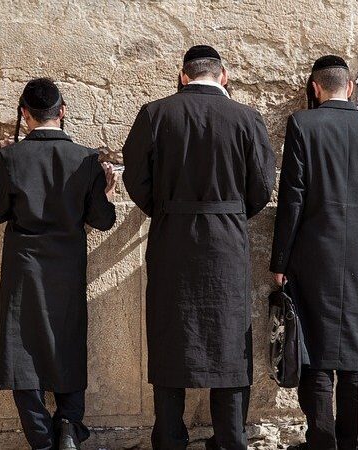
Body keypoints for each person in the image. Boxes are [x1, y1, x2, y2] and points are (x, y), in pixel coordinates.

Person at [122, 45, 276, 450]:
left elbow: (135, 177)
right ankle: (230, 438)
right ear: (223, 75)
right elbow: (261, 187)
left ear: (183, 75)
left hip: (172, 236)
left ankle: (170, 437)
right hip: (226, 240)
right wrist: (229, 213)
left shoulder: (155, 114)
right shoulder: (247, 118)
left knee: (172, 332)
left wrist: (167, 209)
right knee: (229, 338)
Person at [270, 55, 358, 450]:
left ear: (314, 88)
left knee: (314, 347)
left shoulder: (303, 125)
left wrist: (278, 263)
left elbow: (291, 200)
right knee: (354, 349)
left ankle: (321, 441)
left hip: (312, 254)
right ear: (351, 87)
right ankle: (356, 441)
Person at [0, 78, 117, 450]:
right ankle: (70, 426)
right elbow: (102, 220)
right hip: (68, 267)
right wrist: (104, 193)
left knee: (20, 347)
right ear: (63, 112)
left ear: (25, 114)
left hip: (24, 268)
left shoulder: (10, 159)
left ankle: (41, 439)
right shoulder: (86, 160)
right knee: (67, 340)